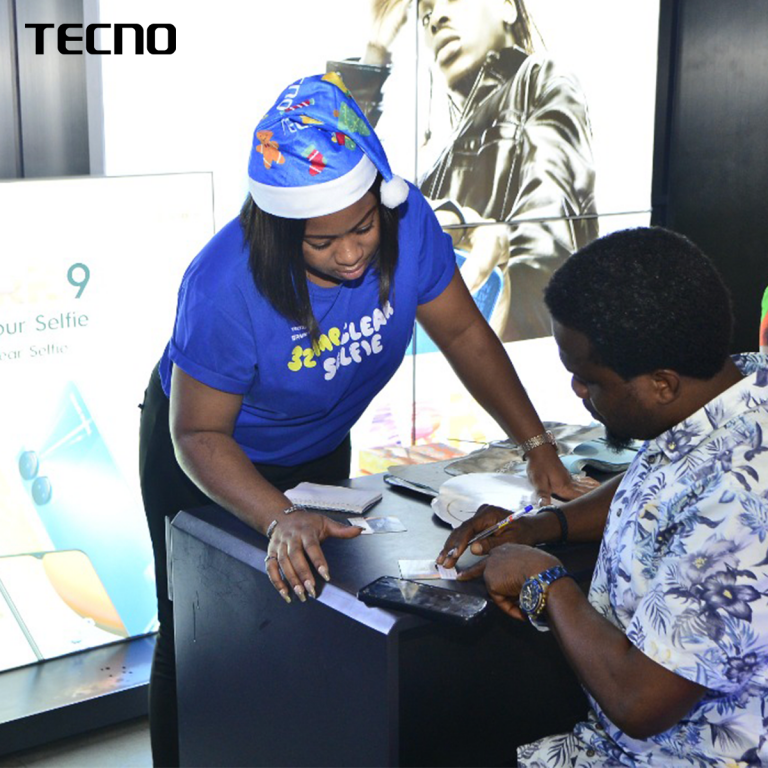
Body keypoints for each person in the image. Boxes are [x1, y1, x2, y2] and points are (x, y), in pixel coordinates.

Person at [138, 73, 595, 767]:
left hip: (318, 447)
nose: (351, 255)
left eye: (362, 228)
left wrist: (537, 446)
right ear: (279, 231)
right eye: (321, 243)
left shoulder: (410, 227)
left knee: (313, 617)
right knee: (197, 625)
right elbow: (198, 433)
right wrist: (277, 515)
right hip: (210, 457)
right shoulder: (224, 283)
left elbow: (464, 334)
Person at [438, 227, 768, 766]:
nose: (577, 391)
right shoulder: (739, 385)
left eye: (588, 380)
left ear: (662, 384)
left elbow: (640, 701)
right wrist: (546, 525)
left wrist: (545, 581)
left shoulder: (742, 502)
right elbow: (661, 478)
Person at [329, 0, 598, 342]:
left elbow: (545, 250)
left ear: (507, 7)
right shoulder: (437, 162)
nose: (436, 19)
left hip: (494, 356)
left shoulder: (541, 79)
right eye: (426, 15)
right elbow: (327, 188)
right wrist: (376, 50)